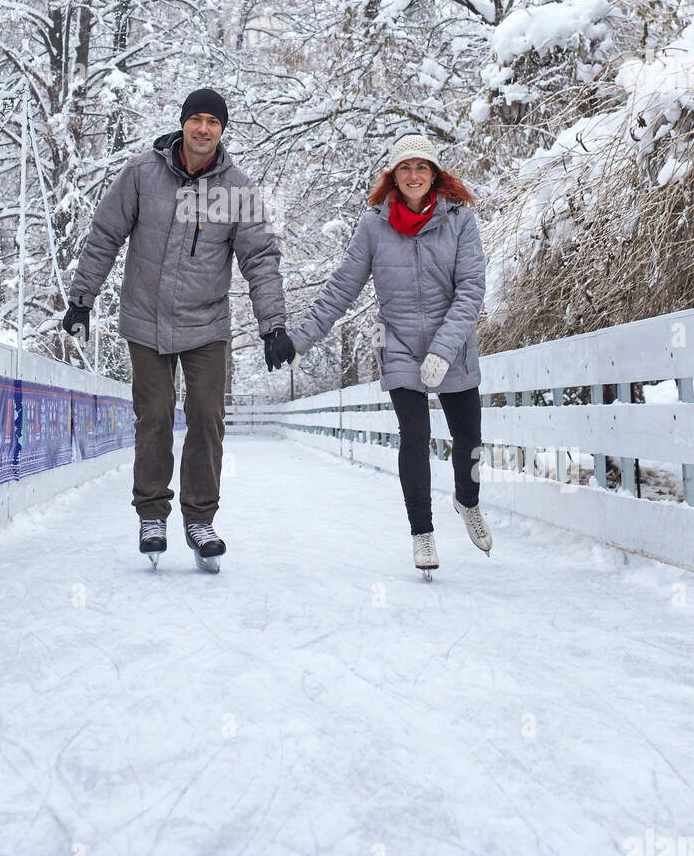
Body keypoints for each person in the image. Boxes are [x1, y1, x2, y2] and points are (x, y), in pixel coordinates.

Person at [63, 87, 296, 570]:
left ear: (222, 131)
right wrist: (82, 298)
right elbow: (105, 234)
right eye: (197, 120)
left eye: (213, 122)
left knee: (208, 417)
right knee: (156, 413)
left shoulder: (238, 190)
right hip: (145, 318)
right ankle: (152, 512)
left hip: (206, 323)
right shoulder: (142, 173)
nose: (204, 129)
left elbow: (260, 259)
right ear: (184, 124)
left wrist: (273, 325)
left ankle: (199, 517)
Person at [289, 133, 491, 577]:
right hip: (398, 344)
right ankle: (422, 533)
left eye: (422, 167)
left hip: (452, 345)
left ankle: (468, 500)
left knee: (469, 441)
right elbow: (342, 288)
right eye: (405, 168)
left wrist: (442, 349)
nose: (414, 175)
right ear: (393, 177)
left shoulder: (460, 220)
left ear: (434, 174)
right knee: (415, 437)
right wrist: (299, 339)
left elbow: (471, 290)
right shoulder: (374, 226)